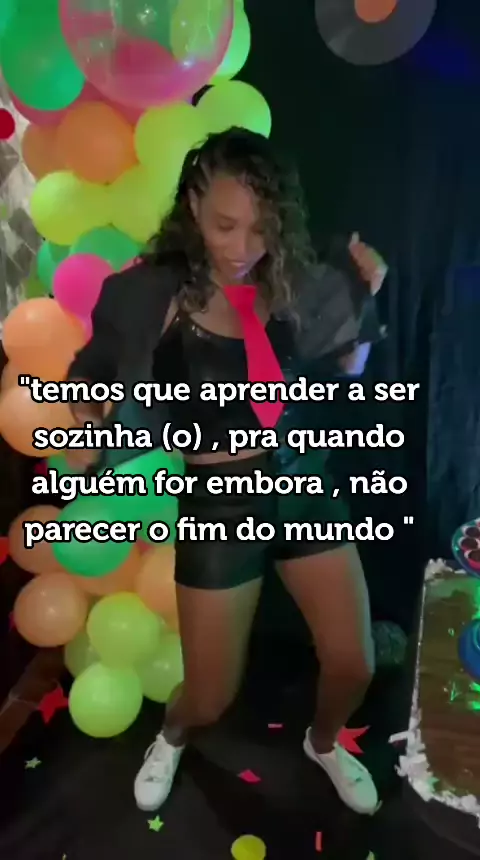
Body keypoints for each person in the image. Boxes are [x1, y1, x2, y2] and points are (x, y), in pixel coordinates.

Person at [67, 127, 387, 817]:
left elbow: (347, 369)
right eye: (224, 225)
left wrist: (363, 298)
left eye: (261, 228)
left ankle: (323, 744)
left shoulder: (292, 280)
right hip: (219, 506)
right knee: (210, 695)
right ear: (192, 205)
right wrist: (87, 434)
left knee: (354, 661)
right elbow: (92, 379)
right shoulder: (149, 294)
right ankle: (173, 735)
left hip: (301, 485)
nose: (243, 246)